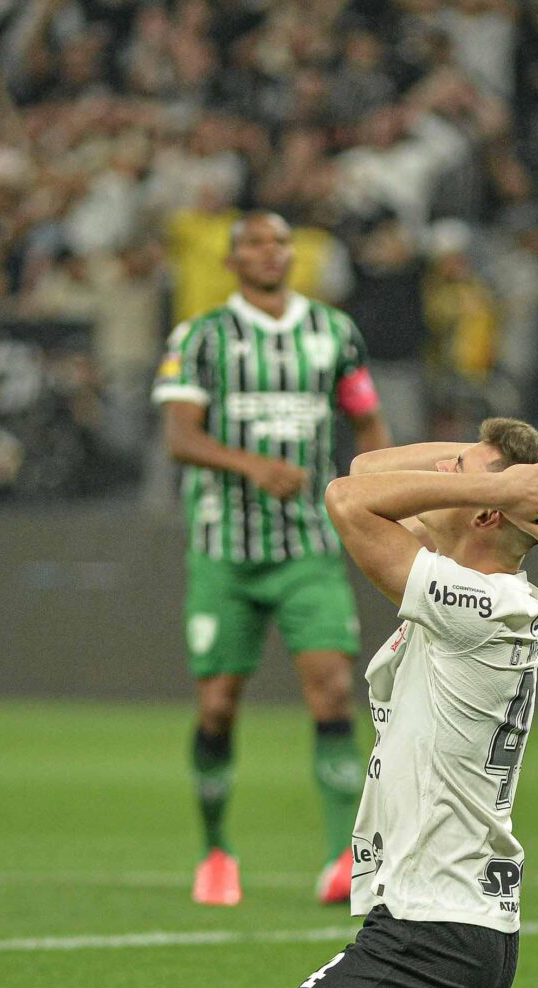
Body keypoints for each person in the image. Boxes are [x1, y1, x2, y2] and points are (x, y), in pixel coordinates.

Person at [214, 417, 538, 988]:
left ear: (486, 510)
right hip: (448, 929)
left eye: (463, 471)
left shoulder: (484, 604)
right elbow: (367, 465)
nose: (443, 476)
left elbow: (347, 498)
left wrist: (491, 482)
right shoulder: (475, 581)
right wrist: (488, 475)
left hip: (434, 935)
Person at [153, 211, 393, 907]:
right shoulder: (201, 337)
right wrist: (253, 466)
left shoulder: (333, 334)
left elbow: (366, 418)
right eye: (255, 243)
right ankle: (216, 851)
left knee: (334, 691)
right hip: (225, 548)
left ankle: (341, 859)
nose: (270, 252)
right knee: (219, 705)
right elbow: (179, 435)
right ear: (231, 261)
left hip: (308, 549)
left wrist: (381, 483)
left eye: (281, 242)